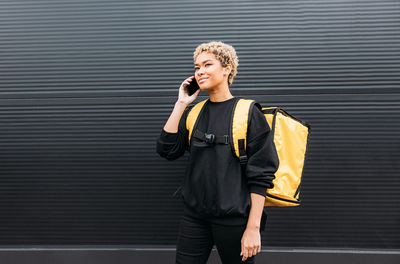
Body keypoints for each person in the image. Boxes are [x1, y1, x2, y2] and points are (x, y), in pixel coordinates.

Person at [156, 41, 279, 264]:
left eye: (207, 64)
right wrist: (181, 103)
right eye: (196, 67)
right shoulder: (195, 112)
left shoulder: (248, 112)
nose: (200, 71)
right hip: (195, 218)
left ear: (227, 68)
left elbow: (261, 176)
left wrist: (253, 228)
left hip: (234, 221)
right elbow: (167, 149)